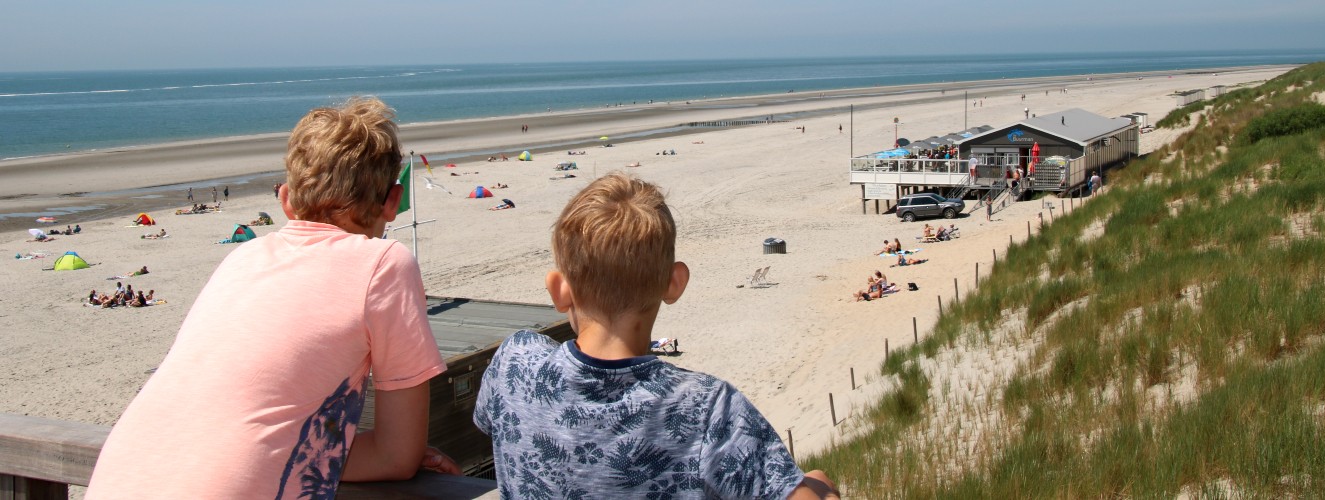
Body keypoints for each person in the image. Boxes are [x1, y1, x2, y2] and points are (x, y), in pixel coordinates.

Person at [88, 97, 459, 498]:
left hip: (119, 477)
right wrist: (400, 453)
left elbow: (256, 436)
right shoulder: (384, 263)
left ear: (286, 200)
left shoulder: (243, 257)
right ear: (393, 202)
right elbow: (395, 457)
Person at [474, 172, 839, 498]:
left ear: (559, 290)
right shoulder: (708, 408)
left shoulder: (515, 363)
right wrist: (822, 488)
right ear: (675, 283)